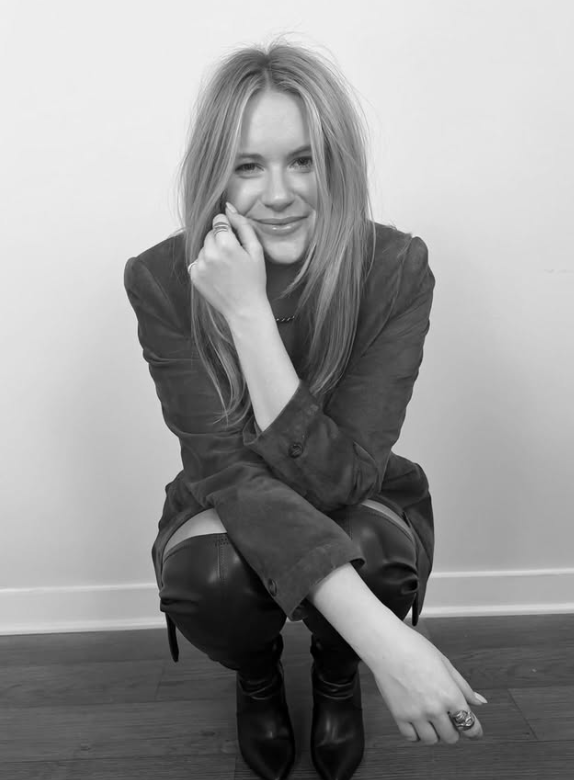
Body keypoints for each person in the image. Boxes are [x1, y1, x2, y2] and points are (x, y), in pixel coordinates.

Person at [124, 38, 487, 780]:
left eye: (303, 160)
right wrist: (391, 643)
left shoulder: (395, 268)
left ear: (336, 164)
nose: (280, 193)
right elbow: (226, 472)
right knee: (213, 575)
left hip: (358, 491)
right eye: (248, 165)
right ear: (215, 173)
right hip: (226, 500)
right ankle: (258, 675)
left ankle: (336, 668)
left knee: (373, 544)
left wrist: (251, 319)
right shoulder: (161, 277)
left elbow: (340, 480)